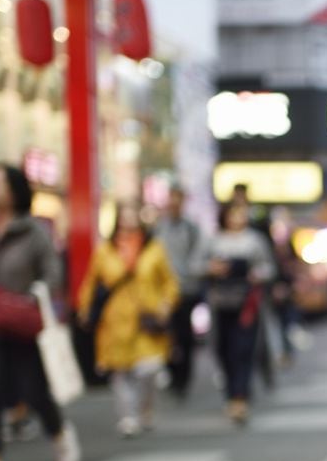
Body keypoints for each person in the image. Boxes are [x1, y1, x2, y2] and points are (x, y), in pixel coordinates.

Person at [0, 164, 80, 461]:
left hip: (25, 326)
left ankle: (58, 432)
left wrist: (32, 298)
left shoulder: (34, 232)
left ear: (15, 191)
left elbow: (54, 275)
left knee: (35, 391)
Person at [79, 201, 179, 438]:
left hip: (147, 318)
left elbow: (170, 281)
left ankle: (145, 408)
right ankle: (127, 417)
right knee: (121, 372)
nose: (128, 219)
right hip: (116, 321)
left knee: (149, 368)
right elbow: (91, 282)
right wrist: (84, 308)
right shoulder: (105, 250)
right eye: (124, 214)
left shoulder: (154, 248)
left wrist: (167, 303)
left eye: (133, 214)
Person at [196, 202, 275, 423]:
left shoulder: (254, 240)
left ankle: (240, 397)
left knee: (244, 350)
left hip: (247, 304)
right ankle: (231, 393)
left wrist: (256, 274)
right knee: (223, 350)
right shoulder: (213, 240)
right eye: (233, 213)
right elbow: (195, 265)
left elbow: (269, 267)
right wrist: (212, 268)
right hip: (220, 303)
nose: (237, 218)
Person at [153, 186, 202, 398]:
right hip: (163, 291)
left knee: (184, 335)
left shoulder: (191, 228)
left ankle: (184, 377)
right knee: (166, 334)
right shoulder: (159, 228)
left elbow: (197, 258)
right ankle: (171, 373)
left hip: (185, 290)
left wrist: (188, 276)